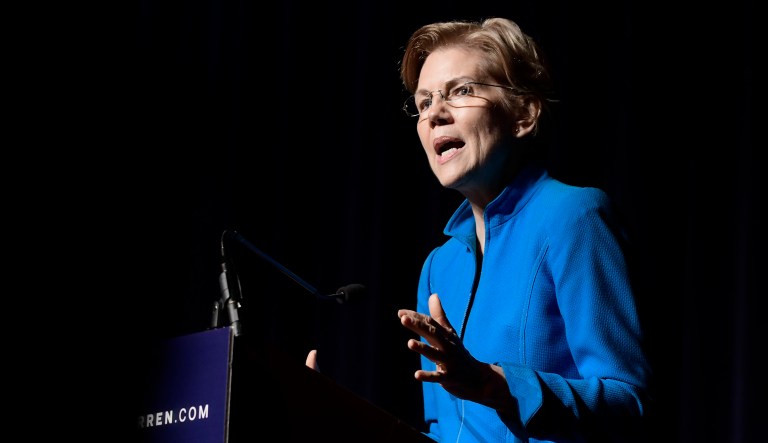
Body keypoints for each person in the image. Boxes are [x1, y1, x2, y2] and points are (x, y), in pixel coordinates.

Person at [392, 17, 653, 443]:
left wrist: (497, 386)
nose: (435, 114)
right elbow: (442, 431)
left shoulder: (574, 217)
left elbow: (631, 404)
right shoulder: (438, 267)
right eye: (423, 103)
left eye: (461, 91)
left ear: (524, 114)